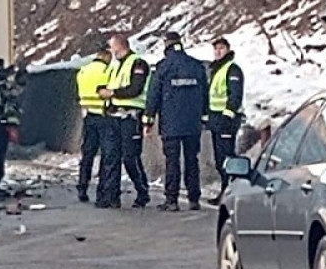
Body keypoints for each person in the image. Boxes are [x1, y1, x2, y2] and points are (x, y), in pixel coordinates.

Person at [143, 31, 208, 211]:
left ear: (166, 44)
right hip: (192, 123)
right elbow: (205, 94)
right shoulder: (196, 66)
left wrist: (148, 120)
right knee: (191, 159)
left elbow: (153, 95)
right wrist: (204, 116)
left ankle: (172, 200)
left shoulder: (163, 67)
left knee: (172, 160)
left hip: (171, 123)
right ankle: (194, 198)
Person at [95, 33, 150, 209]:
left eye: (112, 47)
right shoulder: (116, 66)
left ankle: (142, 191)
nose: (110, 51)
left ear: (119, 46)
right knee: (111, 157)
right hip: (114, 117)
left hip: (131, 117)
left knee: (130, 157)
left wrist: (112, 93)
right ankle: (111, 197)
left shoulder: (137, 63)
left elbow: (135, 88)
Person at [207, 35, 245, 197]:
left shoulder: (232, 69)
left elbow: (235, 95)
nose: (218, 51)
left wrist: (227, 115)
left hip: (227, 120)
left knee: (227, 158)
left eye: (221, 48)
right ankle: (226, 191)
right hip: (216, 119)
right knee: (220, 159)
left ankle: (232, 192)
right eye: (215, 48)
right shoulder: (216, 69)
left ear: (228, 50)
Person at [74, 46, 112, 202]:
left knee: (88, 154)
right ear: (106, 57)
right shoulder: (107, 71)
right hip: (104, 115)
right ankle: (101, 190)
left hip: (88, 115)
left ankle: (82, 186)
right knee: (106, 153)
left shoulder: (82, 71)